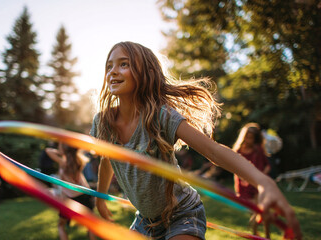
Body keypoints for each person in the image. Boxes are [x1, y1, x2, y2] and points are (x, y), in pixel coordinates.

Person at [90, 41, 301, 240]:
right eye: (109, 66)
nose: (113, 71)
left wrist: (264, 182)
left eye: (123, 64)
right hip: (146, 220)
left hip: (182, 213)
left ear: (145, 73)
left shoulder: (161, 116)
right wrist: (100, 197)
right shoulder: (103, 121)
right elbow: (109, 159)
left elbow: (213, 151)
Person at [46, 143, 96, 240]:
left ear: (63, 150)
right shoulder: (79, 160)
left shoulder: (63, 163)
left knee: (61, 225)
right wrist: (70, 149)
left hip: (71, 198)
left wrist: (60, 152)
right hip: (85, 195)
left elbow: (48, 150)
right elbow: (85, 147)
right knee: (90, 225)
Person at [233, 123, 272, 238]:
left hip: (259, 185)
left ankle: (267, 235)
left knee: (263, 211)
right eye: (247, 137)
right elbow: (235, 167)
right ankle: (255, 233)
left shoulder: (258, 150)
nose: (248, 140)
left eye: (251, 137)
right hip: (244, 186)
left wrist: (261, 177)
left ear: (255, 139)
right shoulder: (238, 150)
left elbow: (267, 166)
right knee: (255, 211)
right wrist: (243, 177)